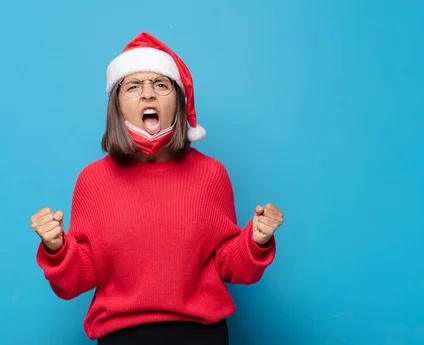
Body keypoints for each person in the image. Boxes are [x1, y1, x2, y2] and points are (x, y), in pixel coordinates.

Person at [28, 32, 284, 345]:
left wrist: (255, 240)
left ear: (177, 100)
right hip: (120, 338)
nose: (148, 94)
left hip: (202, 336)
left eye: (161, 85)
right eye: (134, 86)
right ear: (117, 105)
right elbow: (76, 281)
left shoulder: (211, 174)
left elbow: (229, 266)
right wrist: (57, 248)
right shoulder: (92, 181)